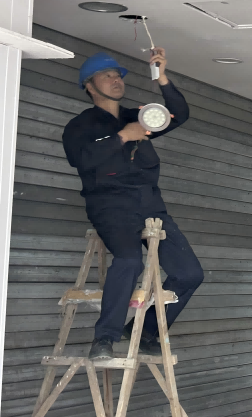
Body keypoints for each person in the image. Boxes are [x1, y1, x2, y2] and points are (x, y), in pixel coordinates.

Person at [62, 49, 204, 360]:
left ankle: (146, 330)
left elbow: (178, 114)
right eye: (107, 76)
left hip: (150, 205)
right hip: (110, 205)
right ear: (89, 85)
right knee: (129, 261)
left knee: (190, 273)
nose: (116, 80)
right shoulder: (81, 125)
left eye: (118, 76)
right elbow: (81, 159)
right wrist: (123, 137)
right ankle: (104, 339)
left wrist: (161, 77)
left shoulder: (137, 117)